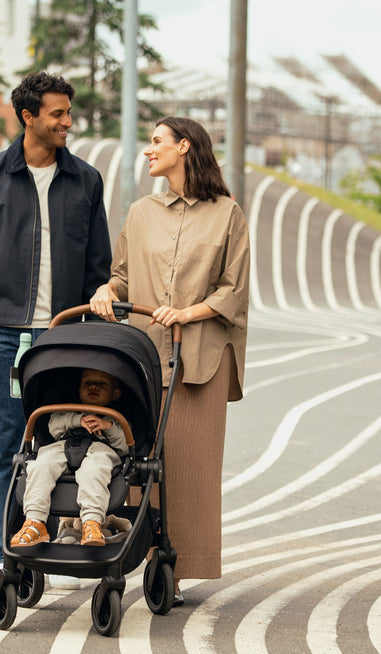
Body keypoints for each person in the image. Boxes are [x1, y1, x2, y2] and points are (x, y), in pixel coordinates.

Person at [0, 72, 112, 588]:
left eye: (68, 113)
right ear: (28, 116)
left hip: (64, 337)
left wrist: (90, 335)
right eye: (58, 113)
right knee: (5, 448)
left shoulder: (85, 180)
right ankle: (5, 557)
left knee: (67, 443)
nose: (68, 122)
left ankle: (54, 538)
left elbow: (98, 267)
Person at [89, 116, 250, 606]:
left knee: (190, 466)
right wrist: (104, 290)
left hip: (200, 358)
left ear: (184, 146)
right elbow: (120, 276)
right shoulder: (140, 212)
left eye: (156, 141)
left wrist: (187, 312)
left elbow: (234, 290)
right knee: (145, 463)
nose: (147, 150)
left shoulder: (227, 214)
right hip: (144, 358)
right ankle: (147, 555)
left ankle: (178, 565)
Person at [11, 368, 127, 548]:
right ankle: (35, 522)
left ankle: (91, 523)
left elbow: (125, 445)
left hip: (100, 450)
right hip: (63, 446)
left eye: (102, 384)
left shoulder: (118, 419)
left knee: (94, 471)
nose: (94, 386)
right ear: (78, 390)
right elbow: (53, 427)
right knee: (40, 465)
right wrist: (77, 420)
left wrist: (108, 426)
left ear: (116, 393)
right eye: (87, 383)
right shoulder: (65, 411)